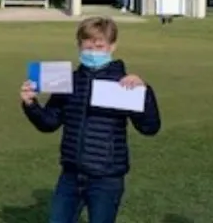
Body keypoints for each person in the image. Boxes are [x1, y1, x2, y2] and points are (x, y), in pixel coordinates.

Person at [20, 16, 161, 223]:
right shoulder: (68, 81)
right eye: (87, 47)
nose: (93, 52)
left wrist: (145, 93)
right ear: (79, 46)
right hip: (71, 173)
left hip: (106, 177)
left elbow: (149, 127)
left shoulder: (123, 84)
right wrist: (31, 104)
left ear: (112, 46)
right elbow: (49, 123)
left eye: (99, 46)